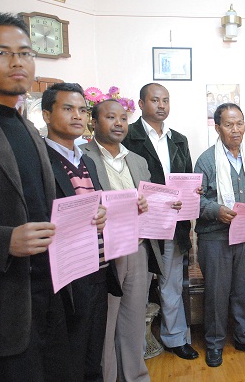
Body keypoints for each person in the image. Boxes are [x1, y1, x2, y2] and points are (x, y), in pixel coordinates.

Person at [0, 13, 74, 381]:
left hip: (50, 294)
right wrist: (3, 240)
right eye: (3, 52)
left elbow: (40, 204)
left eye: (25, 51)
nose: (18, 61)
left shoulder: (28, 128)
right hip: (1, 302)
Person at [42, 82, 123, 381]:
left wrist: (104, 211)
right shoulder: (41, 160)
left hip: (98, 269)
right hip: (66, 277)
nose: (78, 115)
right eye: (68, 108)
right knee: (68, 357)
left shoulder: (86, 160)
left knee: (93, 354)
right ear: (47, 115)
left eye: (82, 109)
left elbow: (97, 205)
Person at [122, 83, 198, 360]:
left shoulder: (179, 139)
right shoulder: (127, 134)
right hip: (138, 223)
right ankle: (135, 347)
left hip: (173, 223)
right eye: (155, 100)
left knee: (171, 284)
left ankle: (175, 338)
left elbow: (187, 177)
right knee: (136, 287)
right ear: (141, 104)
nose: (161, 105)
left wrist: (193, 193)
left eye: (166, 100)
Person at [81, 99, 155, 382]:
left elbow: (149, 202)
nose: (119, 123)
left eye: (123, 118)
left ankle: (135, 376)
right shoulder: (82, 155)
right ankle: (108, 377)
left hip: (137, 247)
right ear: (95, 122)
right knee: (105, 322)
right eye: (111, 117)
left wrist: (160, 204)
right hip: (104, 251)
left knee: (134, 320)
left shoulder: (137, 160)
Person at [194, 103, 245, 367]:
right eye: (228, 124)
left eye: (239, 123)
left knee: (243, 290)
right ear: (217, 128)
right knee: (217, 292)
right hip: (215, 238)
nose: (235, 129)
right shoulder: (206, 160)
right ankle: (215, 343)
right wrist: (216, 210)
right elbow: (194, 201)